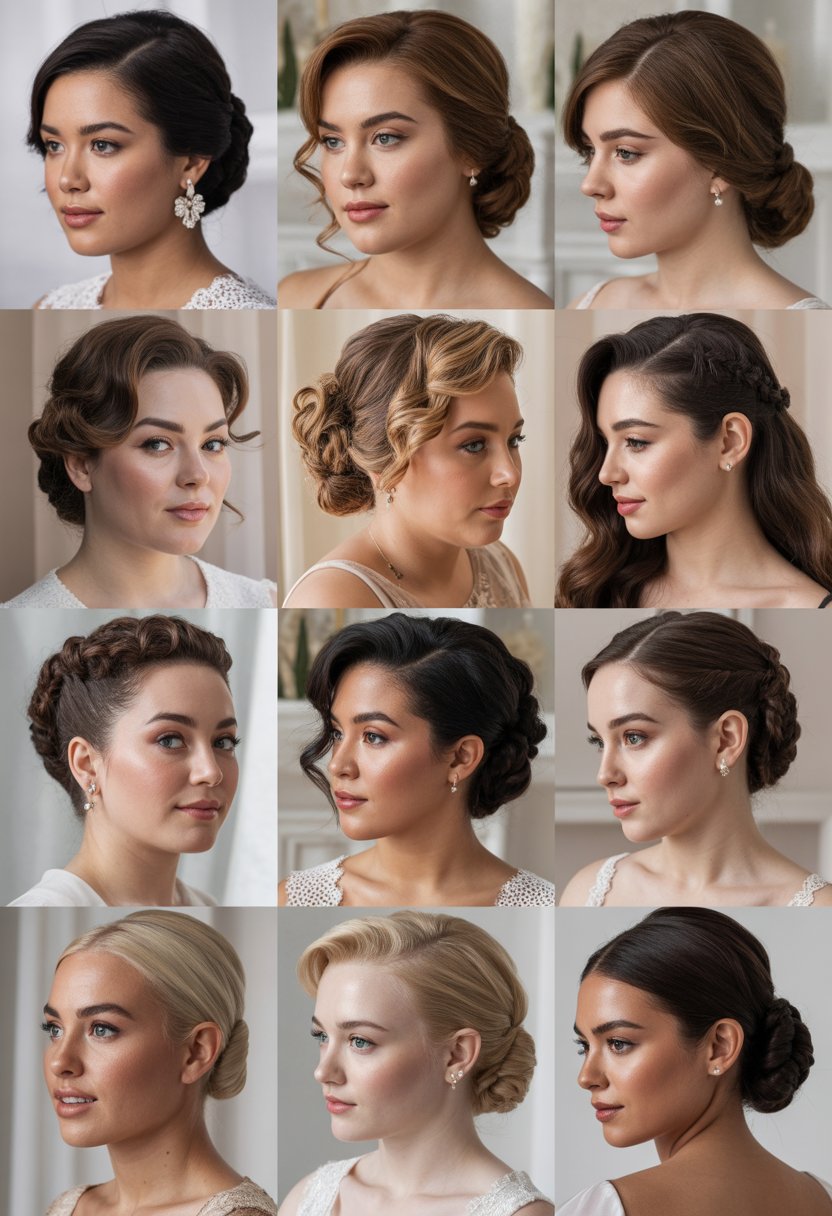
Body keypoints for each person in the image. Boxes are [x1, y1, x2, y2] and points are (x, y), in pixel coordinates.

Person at [279, 910, 553, 1215]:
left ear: (457, 1054)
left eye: (360, 1041)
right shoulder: (308, 1198)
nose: (322, 1072)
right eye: (322, 1036)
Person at [562, 907, 832, 1215]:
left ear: (720, 1047)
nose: (587, 1077)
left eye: (618, 1043)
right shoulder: (823, 1197)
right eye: (584, 1045)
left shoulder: (605, 1208)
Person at [278, 10, 552, 309]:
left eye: (385, 138)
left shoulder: (532, 314)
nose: (350, 174)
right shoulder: (293, 298)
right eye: (333, 141)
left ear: (470, 149)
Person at [555, 313, 832, 608]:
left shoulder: (811, 606)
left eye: (636, 442)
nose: (606, 473)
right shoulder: (593, 592)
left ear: (730, 441)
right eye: (604, 442)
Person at [559, 612, 832, 908]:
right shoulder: (588, 892)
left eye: (634, 737)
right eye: (599, 742)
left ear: (726, 740)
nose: (605, 775)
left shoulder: (818, 908)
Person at [279, 613, 553, 907]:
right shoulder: (296, 898)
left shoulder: (541, 903)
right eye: (337, 733)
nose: (337, 765)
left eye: (373, 737)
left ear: (461, 758)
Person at [3, 315, 276, 608]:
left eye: (213, 444)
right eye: (157, 444)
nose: (198, 475)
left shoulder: (264, 601)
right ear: (81, 465)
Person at [562, 11, 829, 310]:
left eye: (626, 152)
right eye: (589, 150)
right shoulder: (590, 305)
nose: (590, 185)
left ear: (720, 164)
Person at [29, 10, 275, 309]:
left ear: (192, 161)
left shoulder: (248, 313)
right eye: (54, 145)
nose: (68, 179)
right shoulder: (51, 307)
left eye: (103, 145)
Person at [283, 313, 531, 609]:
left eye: (514, 440)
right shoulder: (330, 598)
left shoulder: (502, 564)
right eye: (474, 445)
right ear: (384, 462)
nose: (509, 474)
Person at [43, 909, 277, 1215]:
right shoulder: (69, 1207)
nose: (60, 1062)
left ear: (196, 1051)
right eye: (54, 1029)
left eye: (102, 1029)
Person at [10, 615, 240, 907]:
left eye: (223, 742)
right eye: (170, 740)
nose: (211, 772)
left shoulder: (209, 909)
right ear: (86, 764)